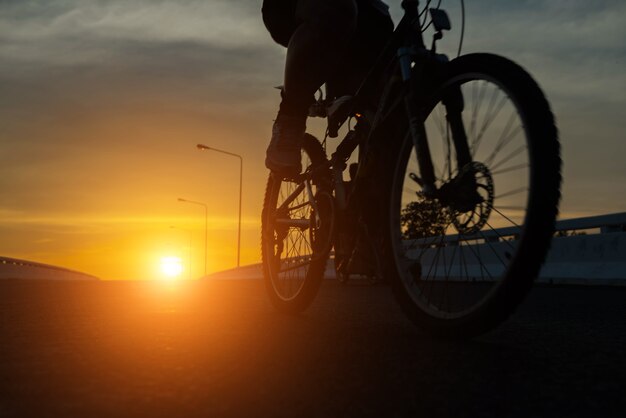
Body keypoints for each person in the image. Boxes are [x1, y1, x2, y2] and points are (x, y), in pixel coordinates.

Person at [262, 0, 394, 176]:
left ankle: (370, 178)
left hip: (368, 14)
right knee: (336, 10)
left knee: (388, 97)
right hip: (295, 7)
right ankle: (290, 118)